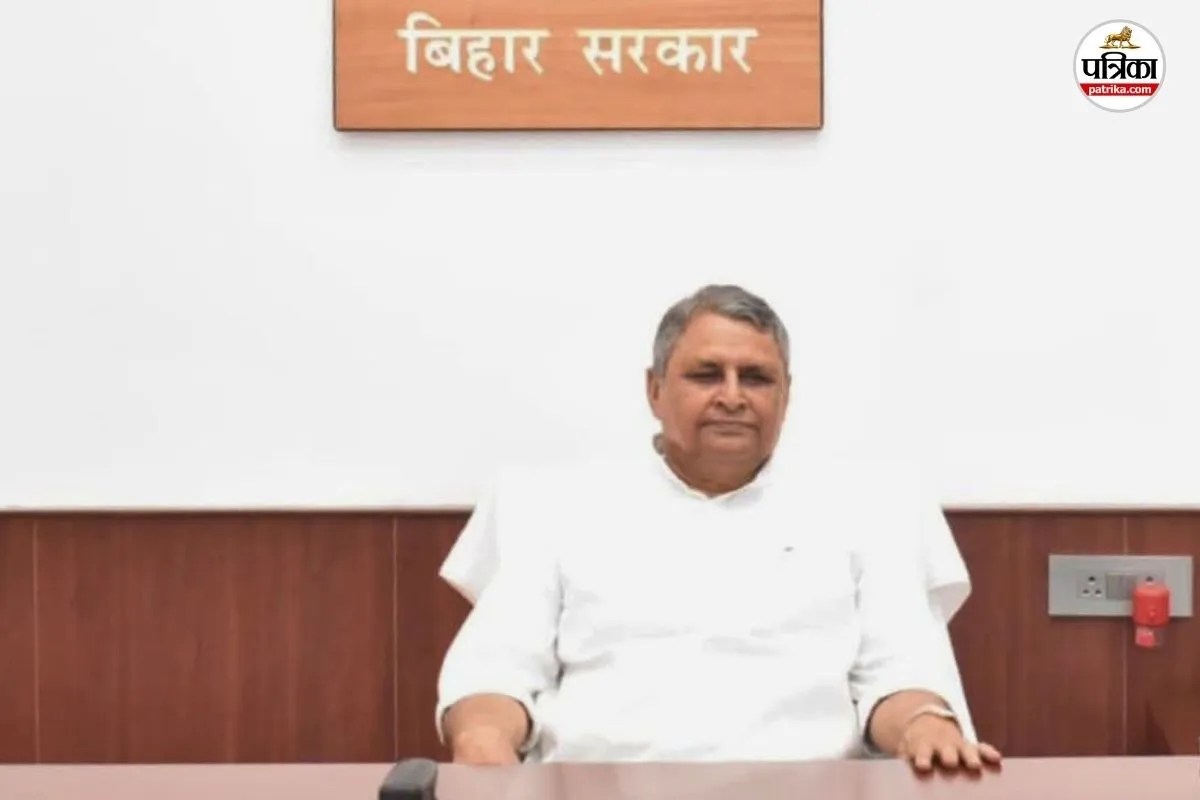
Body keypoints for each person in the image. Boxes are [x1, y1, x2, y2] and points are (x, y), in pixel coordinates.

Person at [435, 284, 1002, 773]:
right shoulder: (561, 506)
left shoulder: (864, 509)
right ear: (655, 390)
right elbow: (496, 670)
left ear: (786, 395)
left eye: (756, 378)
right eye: (707, 375)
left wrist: (924, 726)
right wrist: (483, 741)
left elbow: (898, 673)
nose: (732, 397)